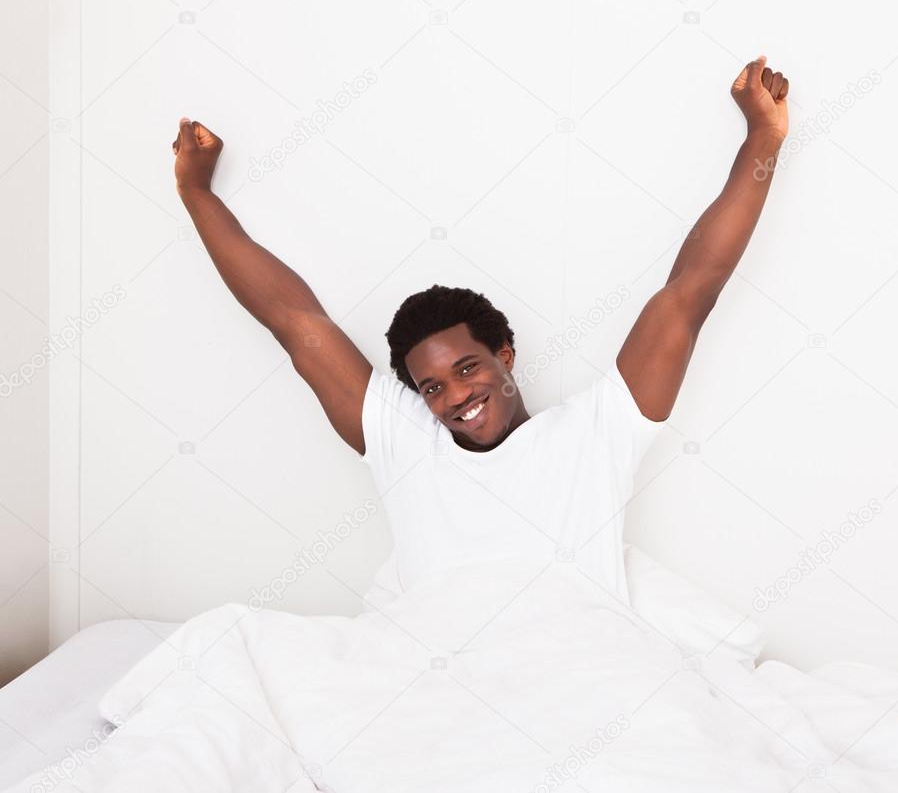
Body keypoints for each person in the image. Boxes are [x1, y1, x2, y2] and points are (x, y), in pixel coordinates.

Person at [171, 56, 789, 598]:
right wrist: (196, 193)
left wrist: (762, 137)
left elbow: (689, 293)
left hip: (577, 667)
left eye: (466, 368)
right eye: (433, 387)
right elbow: (290, 318)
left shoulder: (597, 434)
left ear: (505, 356)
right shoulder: (402, 438)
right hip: (440, 676)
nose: (455, 396)